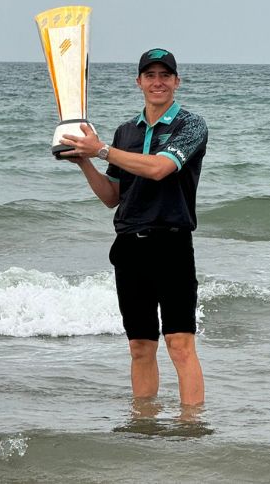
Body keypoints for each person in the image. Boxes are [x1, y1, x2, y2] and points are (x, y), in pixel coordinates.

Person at [59, 48, 208, 406]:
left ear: (176, 81)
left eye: (165, 76)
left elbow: (159, 168)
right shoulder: (125, 132)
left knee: (179, 344)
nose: (158, 82)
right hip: (129, 246)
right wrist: (84, 162)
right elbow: (113, 196)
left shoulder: (191, 125)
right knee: (140, 346)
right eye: (150, 76)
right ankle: (144, 426)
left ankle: (192, 427)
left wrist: (101, 151)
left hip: (171, 243)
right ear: (139, 82)